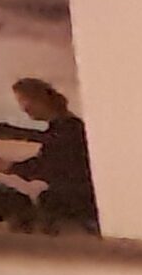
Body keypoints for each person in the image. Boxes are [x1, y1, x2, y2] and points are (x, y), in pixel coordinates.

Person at [9, 79, 99, 232]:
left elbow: (51, 167)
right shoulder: (65, 127)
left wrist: (9, 167)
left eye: (24, 101)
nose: (24, 109)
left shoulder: (67, 129)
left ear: (39, 100)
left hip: (76, 202)